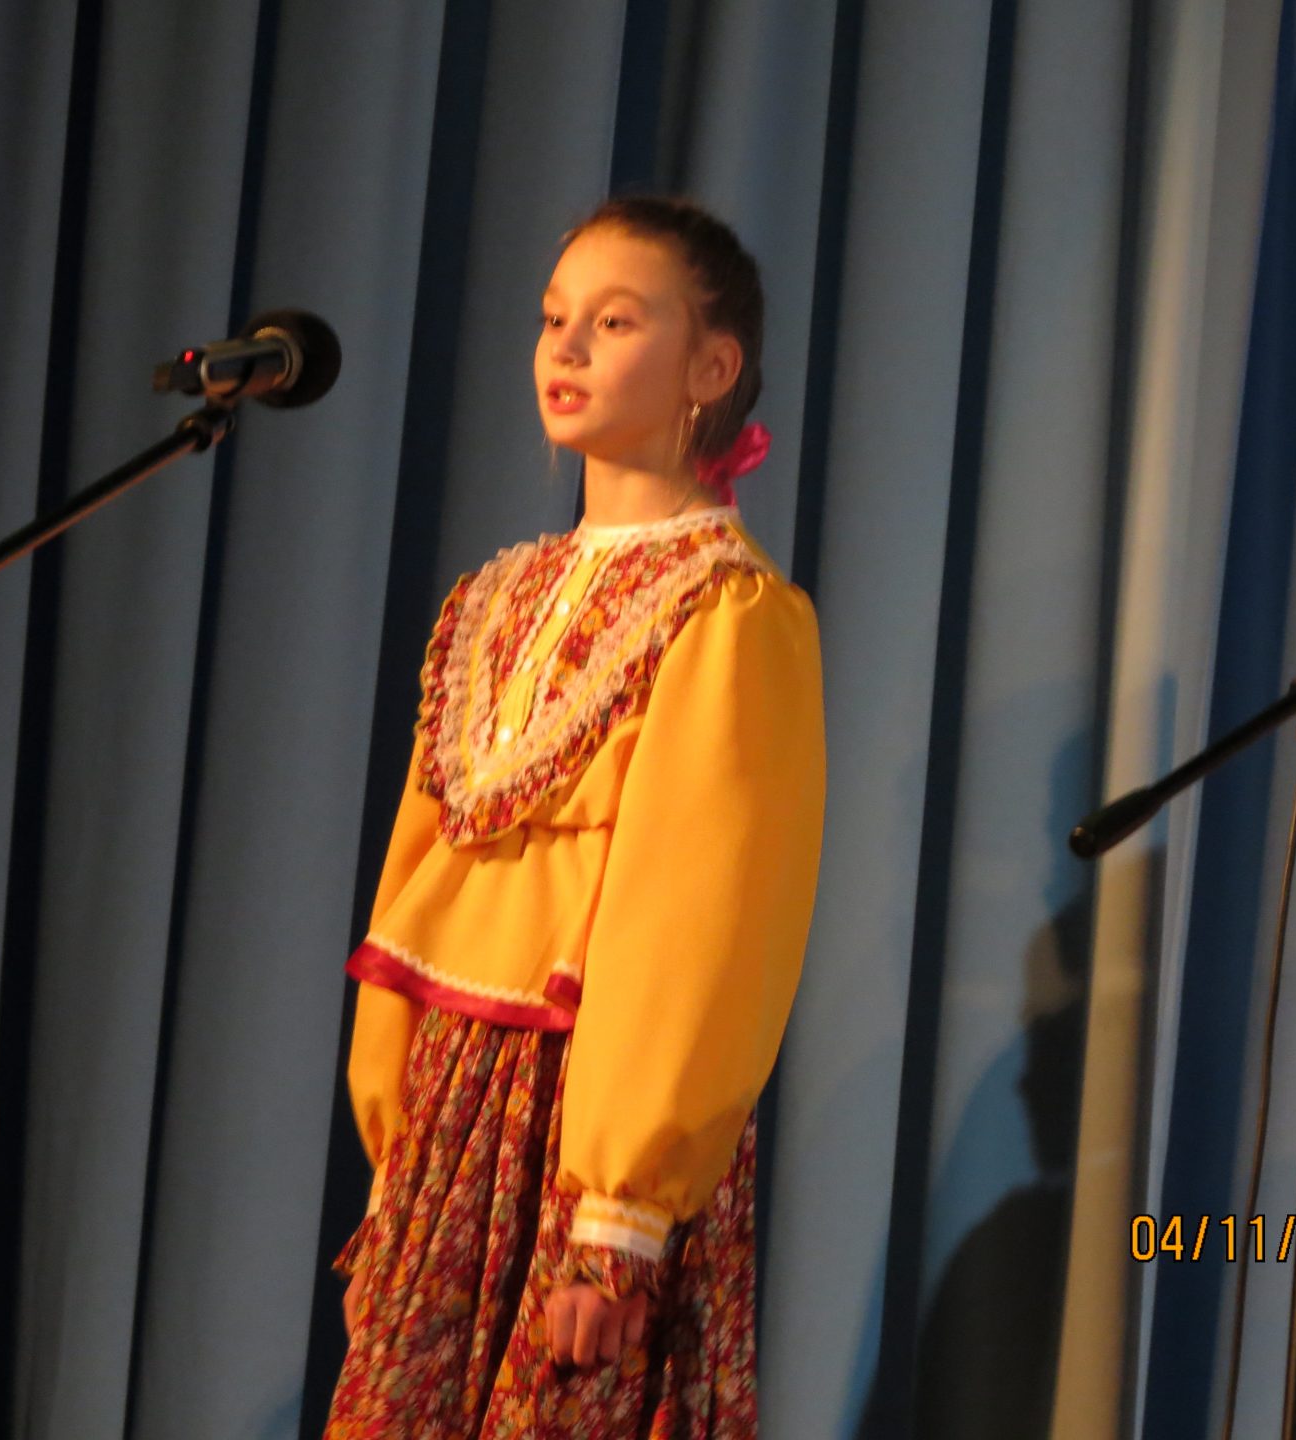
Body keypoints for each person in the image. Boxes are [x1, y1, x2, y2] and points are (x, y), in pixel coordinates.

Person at [322, 194, 827, 1438]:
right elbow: (417, 874)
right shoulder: (493, 597)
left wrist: (618, 1217)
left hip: (583, 1117)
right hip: (453, 1113)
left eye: (614, 321)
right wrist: (396, 1143)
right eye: (556, 319)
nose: (567, 347)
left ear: (712, 368)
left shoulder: (728, 613)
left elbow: (699, 920)